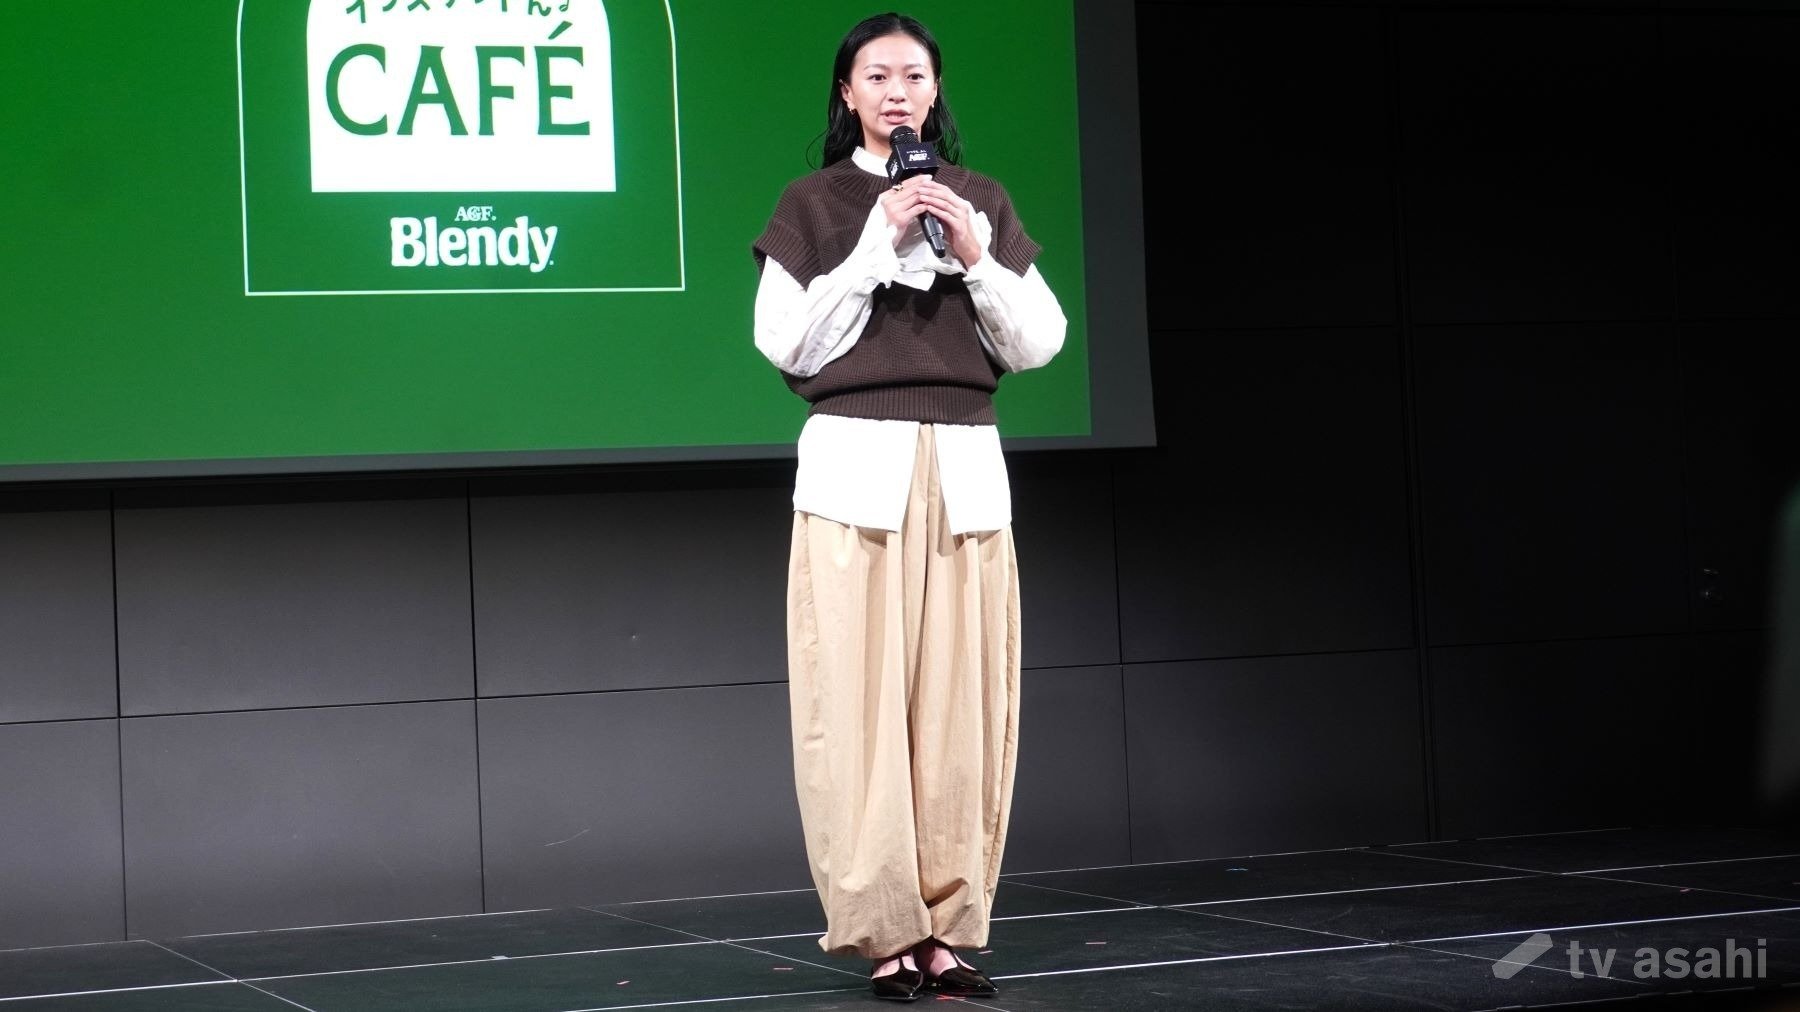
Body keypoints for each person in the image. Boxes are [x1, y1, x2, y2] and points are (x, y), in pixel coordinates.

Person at [750, 11, 1068, 1004]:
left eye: (916, 76)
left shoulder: (980, 199)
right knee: (857, 713)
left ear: (935, 93)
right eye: (879, 76)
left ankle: (949, 934)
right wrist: (872, 246)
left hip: (965, 469)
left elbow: (1039, 343)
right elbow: (786, 345)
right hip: (857, 467)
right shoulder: (813, 202)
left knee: (964, 714)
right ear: (847, 93)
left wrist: (974, 252)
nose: (899, 92)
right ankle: (885, 933)